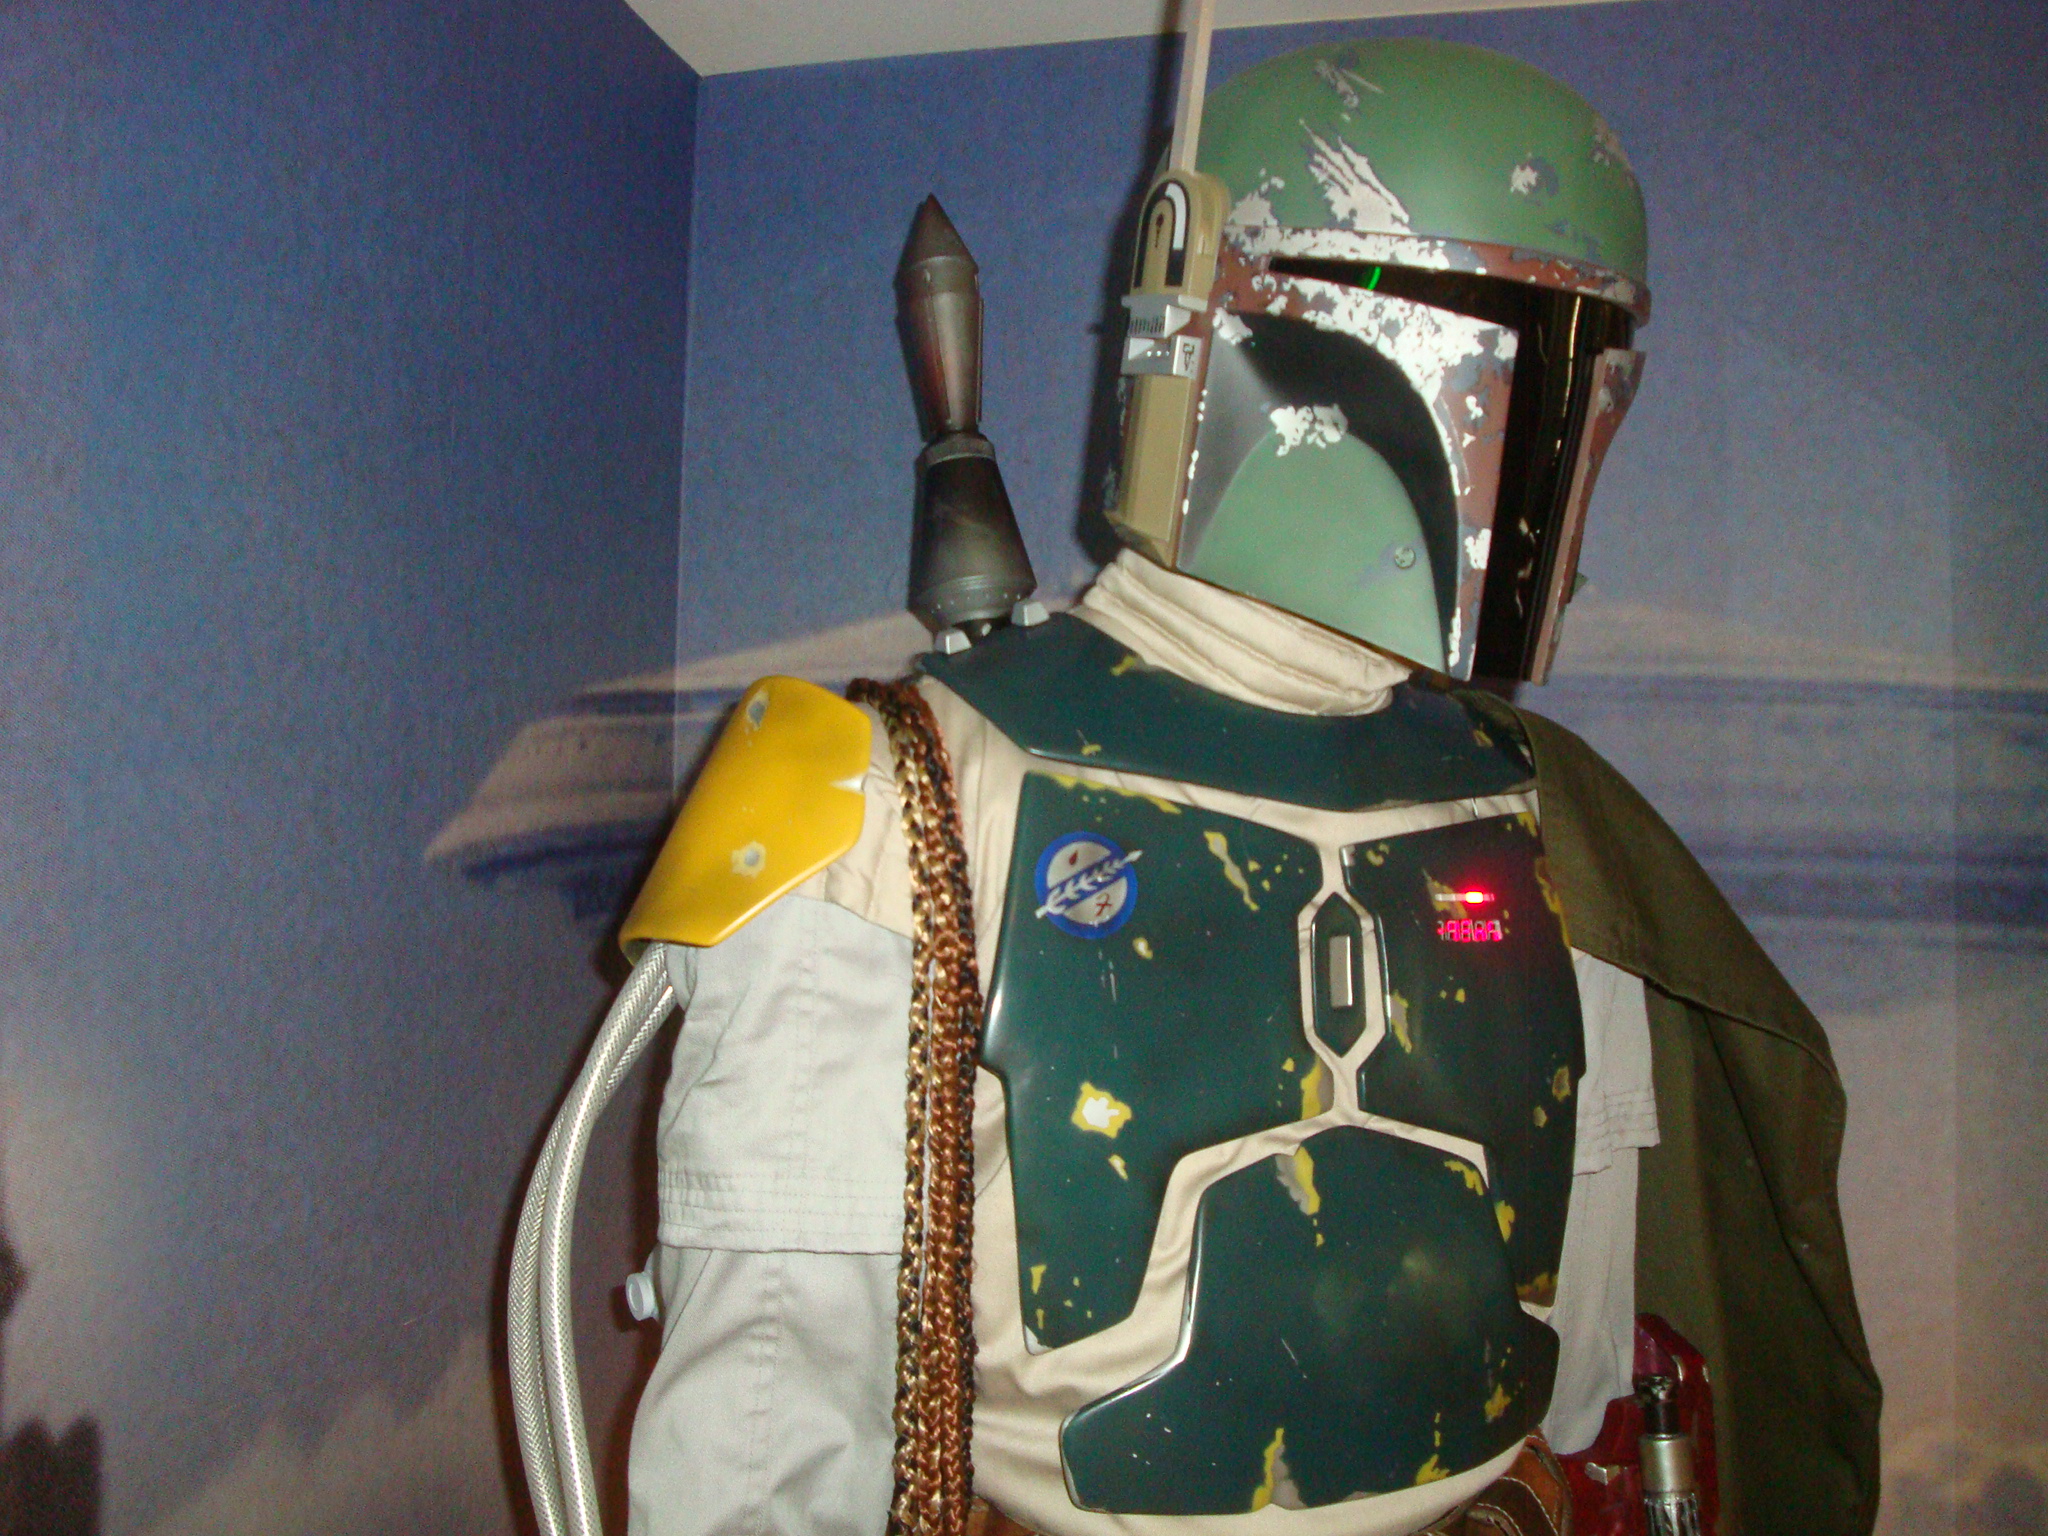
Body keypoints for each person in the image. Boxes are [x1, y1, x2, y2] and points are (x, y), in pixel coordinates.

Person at [615, 37, 1878, 1536]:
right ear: (1277, 344)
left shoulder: (1533, 812)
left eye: (1585, 376)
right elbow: (766, 1448)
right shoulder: (895, 805)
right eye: (1513, 358)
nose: (1549, 445)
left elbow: (1580, 1351)